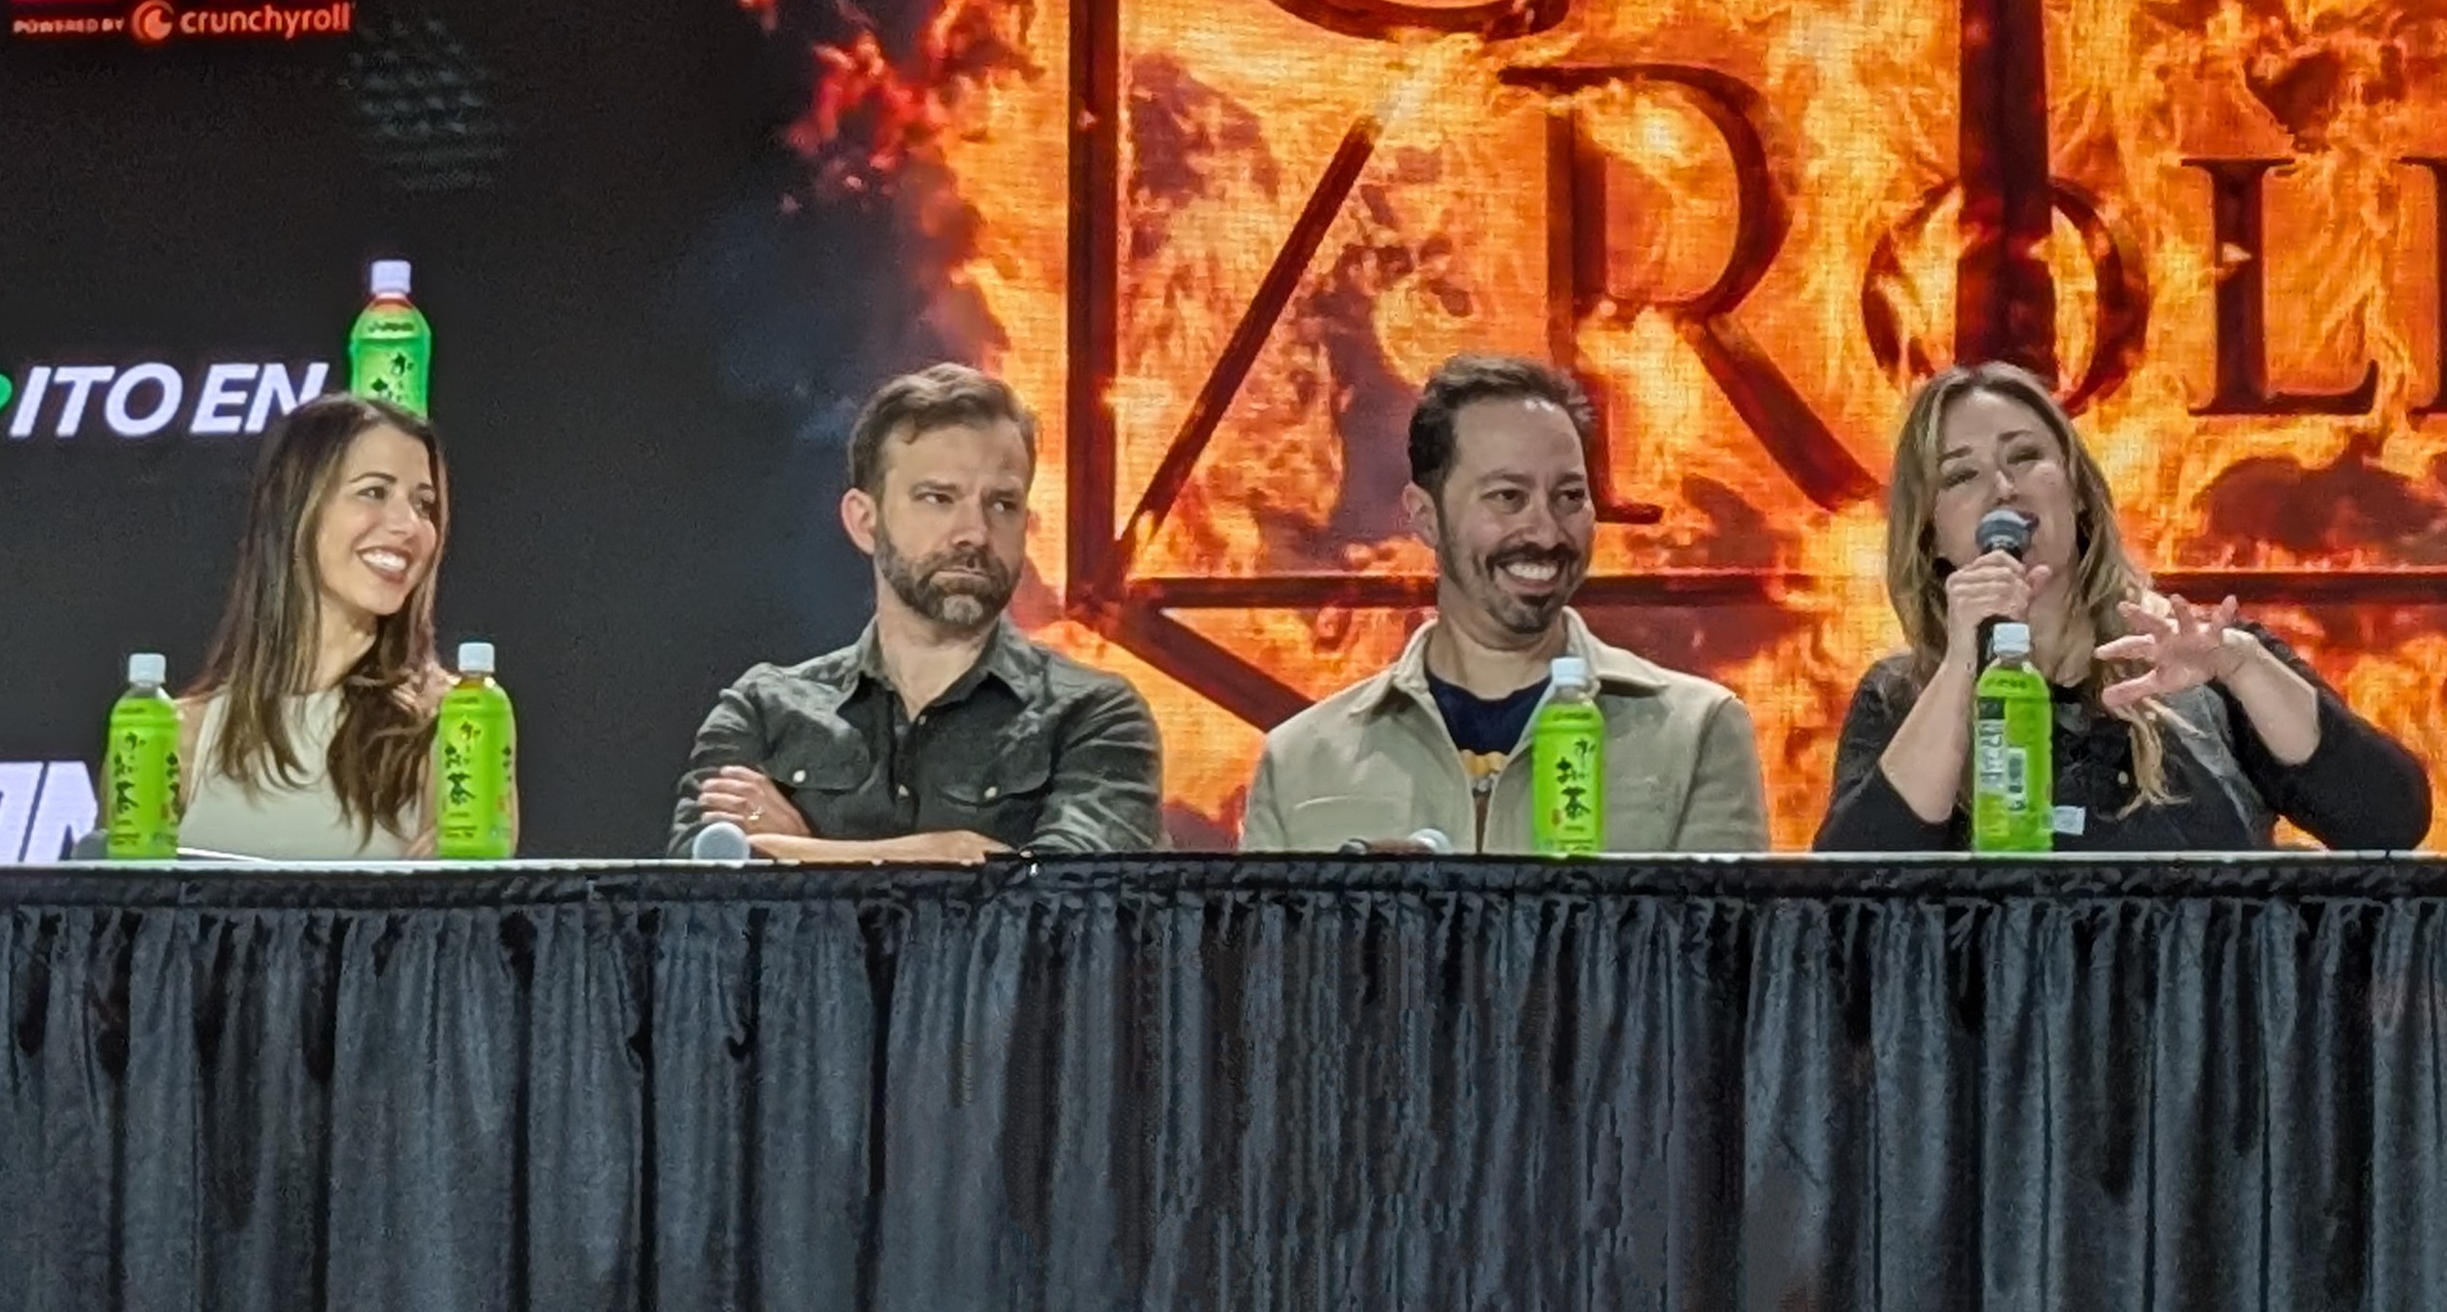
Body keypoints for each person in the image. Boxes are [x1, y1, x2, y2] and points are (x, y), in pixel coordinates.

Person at [1817, 361, 2430, 851]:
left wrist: (2241, 666)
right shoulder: (1902, 695)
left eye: (2025, 457)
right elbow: (1845, 905)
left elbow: (2388, 822)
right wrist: (1959, 669)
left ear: (2079, 494)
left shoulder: (2211, 661)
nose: (2003, 487)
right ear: (1933, 538)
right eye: (1960, 477)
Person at [1240, 352, 1768, 853]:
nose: (1544, 530)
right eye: (1508, 497)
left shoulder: (1697, 733)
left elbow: (1721, 946)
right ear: (1425, 517)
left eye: (1569, 497)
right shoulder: (1300, 761)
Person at [668, 364, 1161, 860]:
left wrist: (802, 853)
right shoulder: (763, 711)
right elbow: (697, 891)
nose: (975, 532)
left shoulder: (1093, 715)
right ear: (864, 521)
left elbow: (1069, 901)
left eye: (1003, 504)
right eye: (938, 498)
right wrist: (951, 854)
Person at [175, 393, 463, 860]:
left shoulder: (459, 723)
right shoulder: (170, 736)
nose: (409, 525)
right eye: (374, 492)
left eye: (424, 504)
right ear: (294, 508)